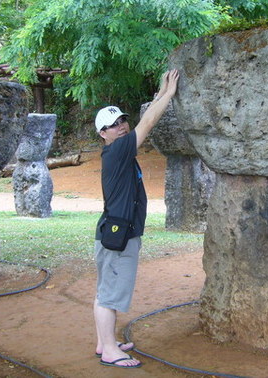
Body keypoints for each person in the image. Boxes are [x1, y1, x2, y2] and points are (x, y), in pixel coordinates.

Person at [93, 68, 179, 369]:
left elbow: (141, 122)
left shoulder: (119, 153)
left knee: (106, 290)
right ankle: (109, 352)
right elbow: (148, 123)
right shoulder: (117, 151)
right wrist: (167, 95)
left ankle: (105, 342)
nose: (122, 127)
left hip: (112, 232)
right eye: (114, 125)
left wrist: (159, 94)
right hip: (120, 236)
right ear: (103, 133)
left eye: (122, 121)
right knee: (110, 294)